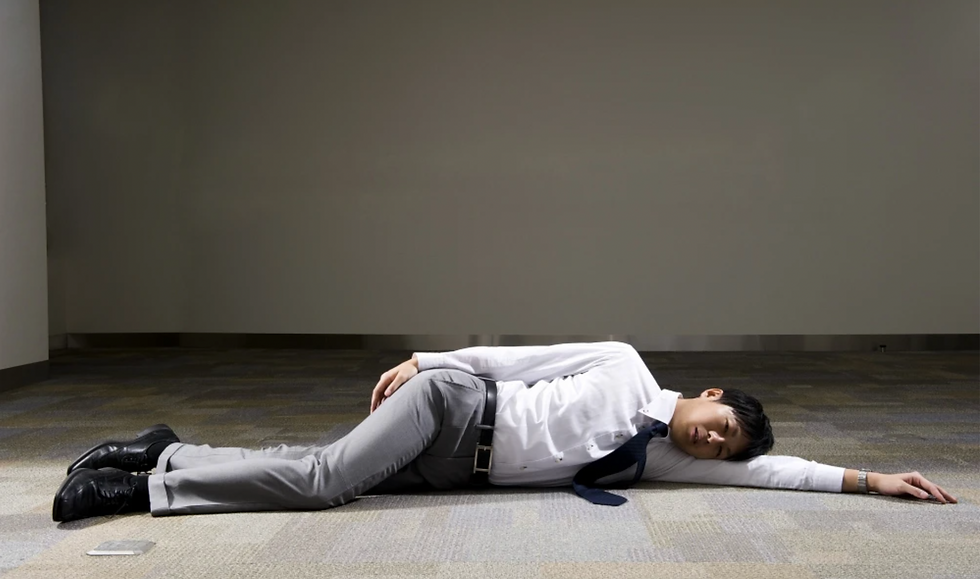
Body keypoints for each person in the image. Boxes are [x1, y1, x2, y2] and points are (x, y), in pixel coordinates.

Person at [52, 342, 956, 522]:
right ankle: (143, 489)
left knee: (307, 463)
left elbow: (774, 476)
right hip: (453, 406)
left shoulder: (659, 461)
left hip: (457, 475)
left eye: (722, 444)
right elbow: (515, 359)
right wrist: (426, 358)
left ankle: (166, 448)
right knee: (325, 480)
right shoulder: (625, 366)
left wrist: (871, 481)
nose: (714, 443)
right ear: (708, 392)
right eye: (719, 425)